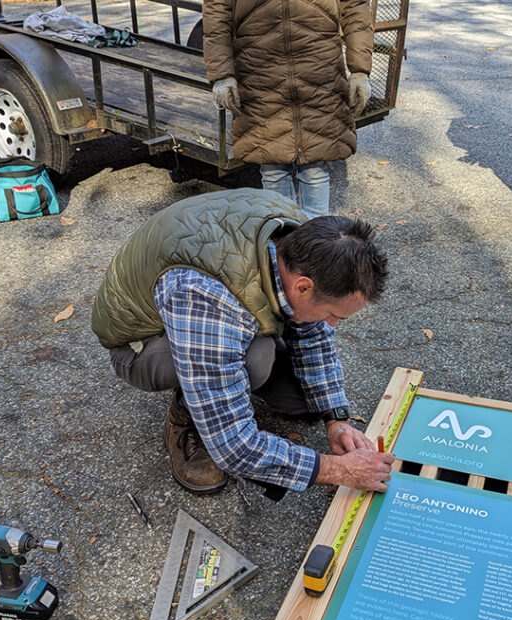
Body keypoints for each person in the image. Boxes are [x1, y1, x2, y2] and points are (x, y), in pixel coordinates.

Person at [91, 188, 393, 499]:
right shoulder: (207, 297)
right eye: (333, 315)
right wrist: (339, 470)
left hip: (213, 299)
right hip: (139, 344)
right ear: (303, 287)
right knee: (256, 357)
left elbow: (314, 332)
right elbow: (234, 446)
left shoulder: (304, 237)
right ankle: (188, 410)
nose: (332, 325)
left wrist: (336, 418)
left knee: (303, 402)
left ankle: (226, 382)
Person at [202, 0, 374, 217]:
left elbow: (355, 7)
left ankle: (314, 243)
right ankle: (283, 243)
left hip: (319, 66)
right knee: (272, 167)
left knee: (315, 166)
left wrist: (360, 71)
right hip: (259, 69)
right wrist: (221, 74)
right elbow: (217, 11)